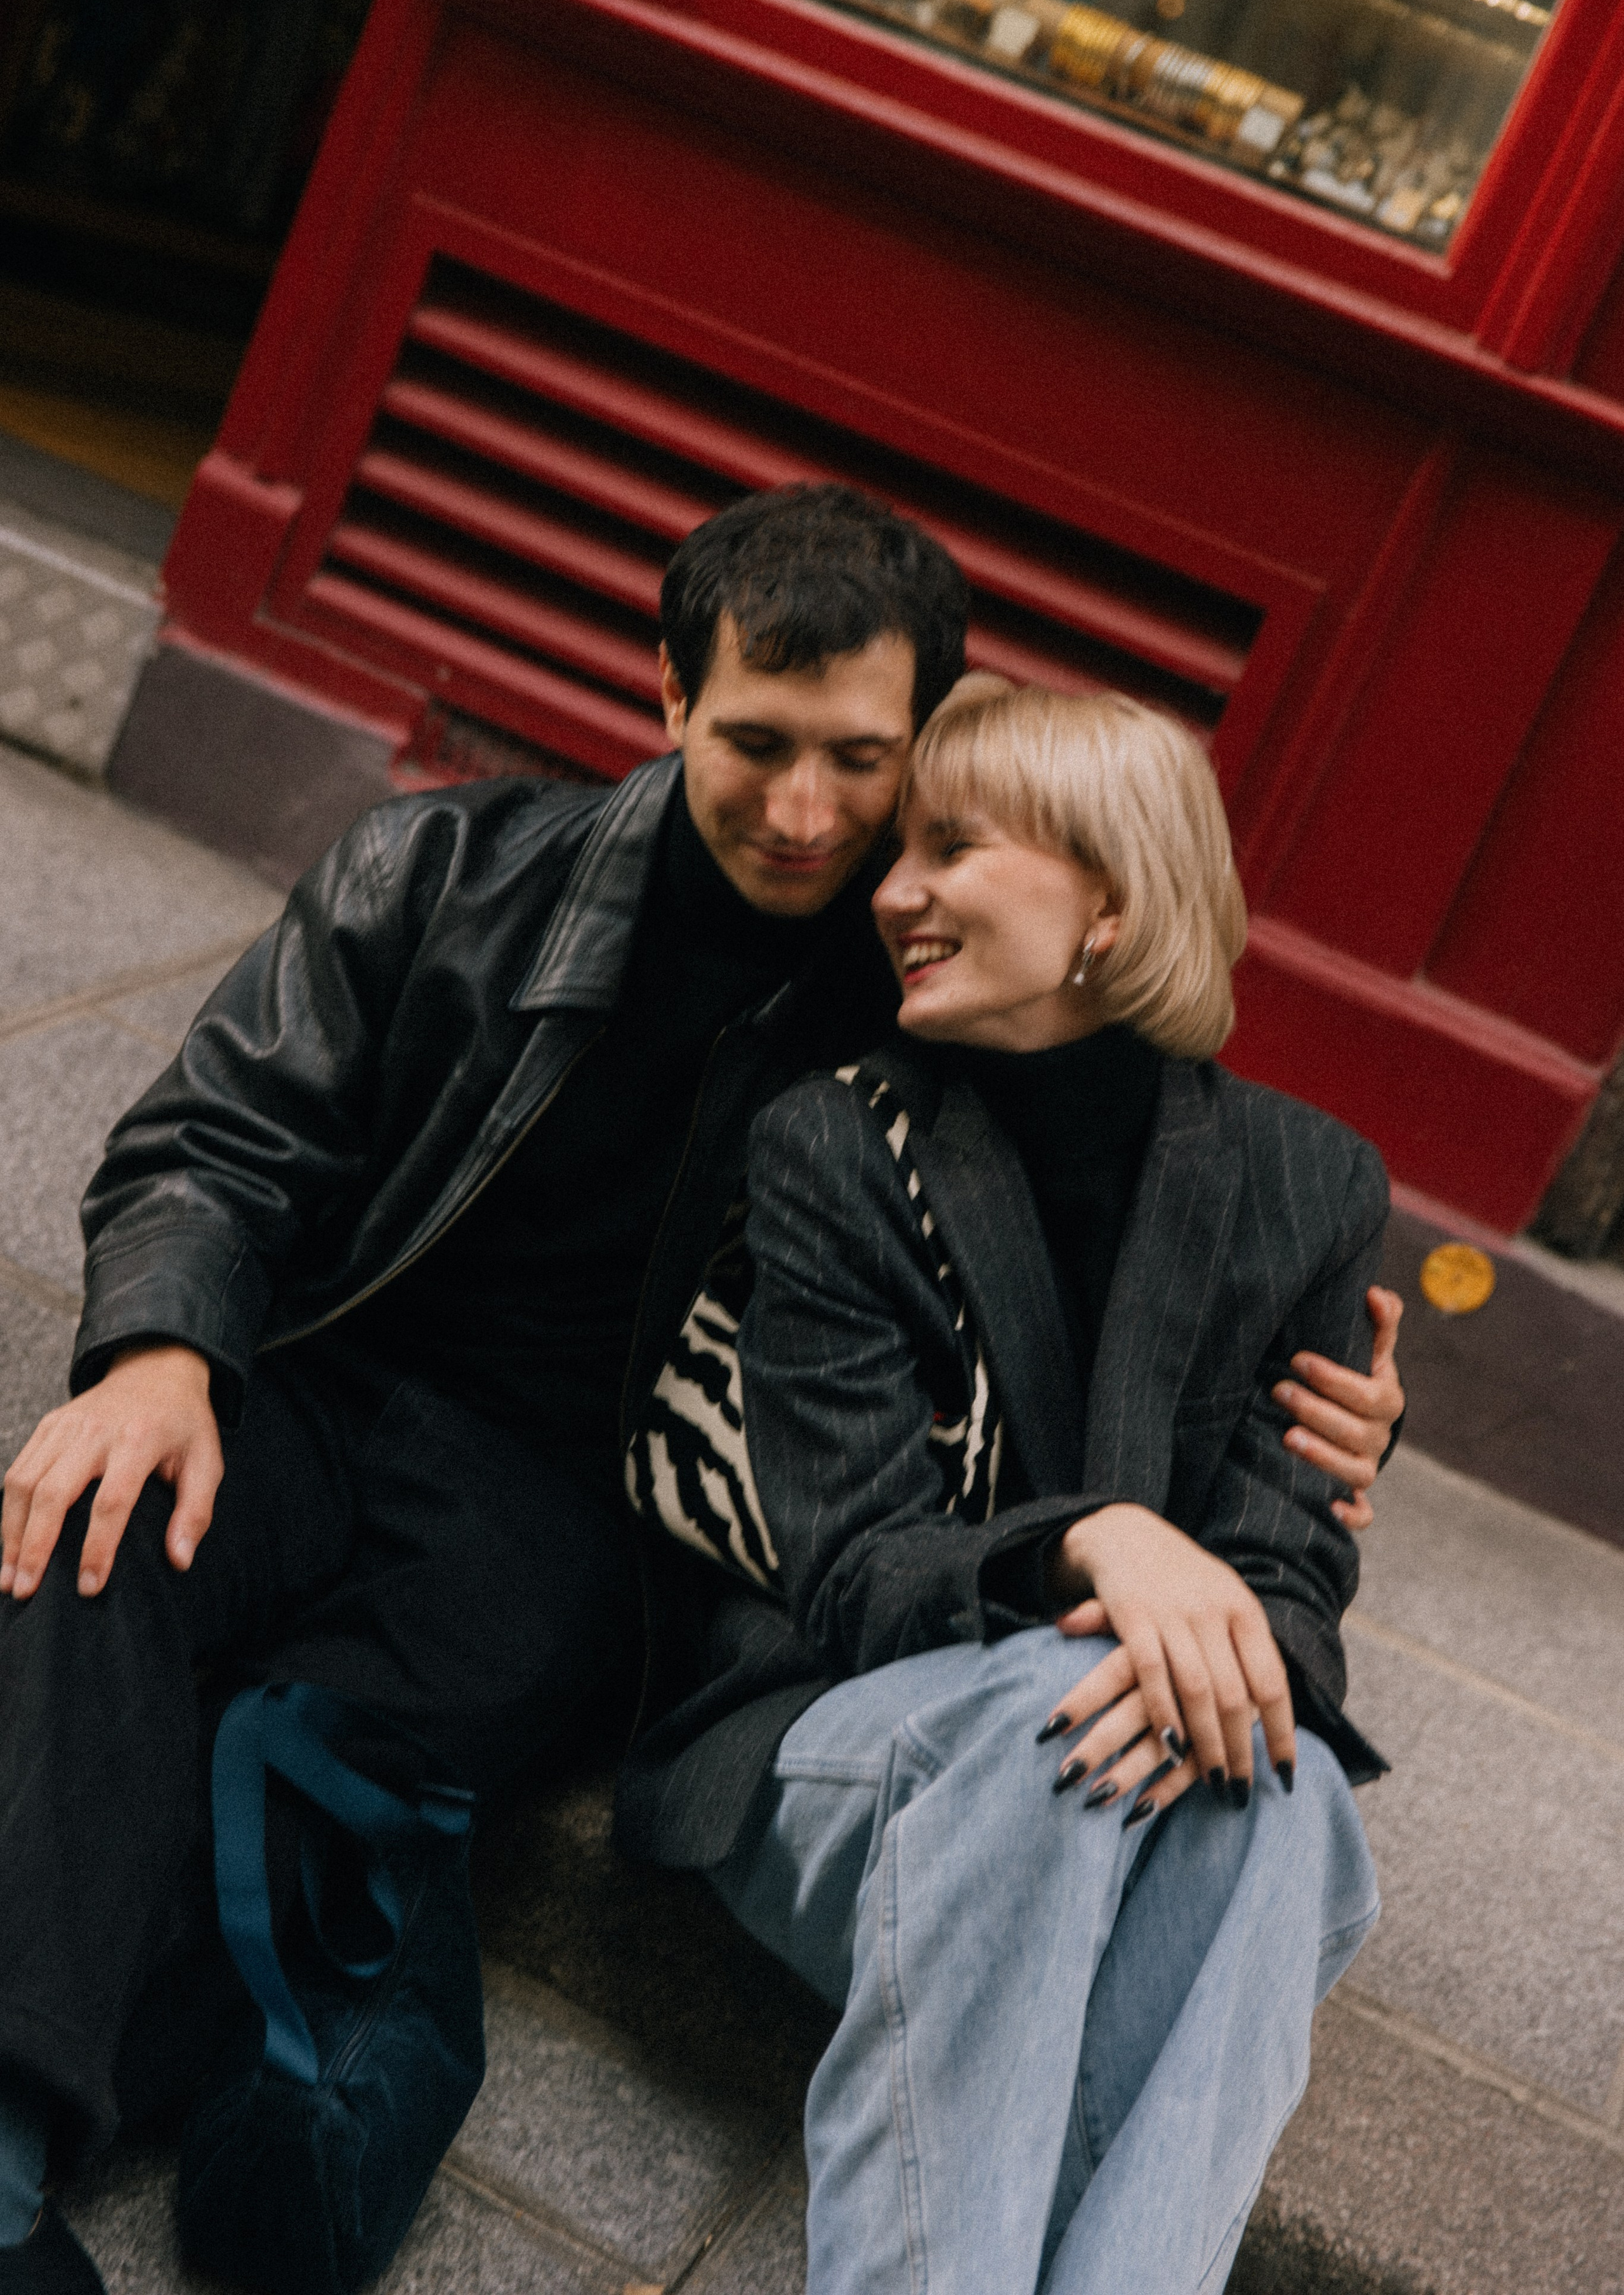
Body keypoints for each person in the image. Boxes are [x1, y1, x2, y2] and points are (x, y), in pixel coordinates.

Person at [0, 490, 1399, 2295]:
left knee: (330, 1750)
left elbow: (1131, 1097)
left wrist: (1310, 1429)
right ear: (669, 691)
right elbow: (223, 1134)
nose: (811, 817)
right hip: (324, 1371)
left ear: (924, 749)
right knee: (81, 1539)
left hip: (570, 1515)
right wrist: (159, 1346)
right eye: (754, 743)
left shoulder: (921, 983)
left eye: (861, 765)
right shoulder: (442, 869)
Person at [617, 676, 1396, 2295]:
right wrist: (1096, 1541)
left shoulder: (1306, 1182)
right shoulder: (832, 1144)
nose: (890, 888)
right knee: (1069, 1722)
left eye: (951, 847)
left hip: (1099, 1779)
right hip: (839, 1755)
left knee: (1295, 1794)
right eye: (902, 850)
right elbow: (853, 1565)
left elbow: (1286, 1572)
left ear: (1106, 899)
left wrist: (1226, 1619)